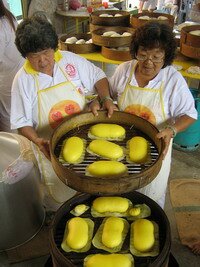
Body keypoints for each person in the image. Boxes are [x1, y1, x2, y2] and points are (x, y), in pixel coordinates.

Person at [10, 16, 116, 211]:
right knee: (58, 194)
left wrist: (104, 99)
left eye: (46, 52)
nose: (42, 61)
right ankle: (55, 213)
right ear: (25, 55)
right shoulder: (23, 80)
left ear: (54, 47)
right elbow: (21, 121)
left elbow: (98, 77)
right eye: (34, 55)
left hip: (84, 137)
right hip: (49, 146)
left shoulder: (70, 61)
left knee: (89, 179)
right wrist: (37, 140)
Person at [109, 22, 197, 208]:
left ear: (166, 57)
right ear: (135, 51)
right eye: (143, 54)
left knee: (150, 197)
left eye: (157, 57)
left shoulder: (173, 80)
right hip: (121, 143)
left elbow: (190, 114)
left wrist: (172, 129)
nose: (149, 62)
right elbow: (108, 96)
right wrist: (102, 101)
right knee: (119, 195)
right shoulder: (124, 70)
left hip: (157, 147)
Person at [0, 0, 24, 132]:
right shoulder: (8, 16)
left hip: (8, 79)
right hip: (17, 72)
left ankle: (15, 148)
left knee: (9, 119)